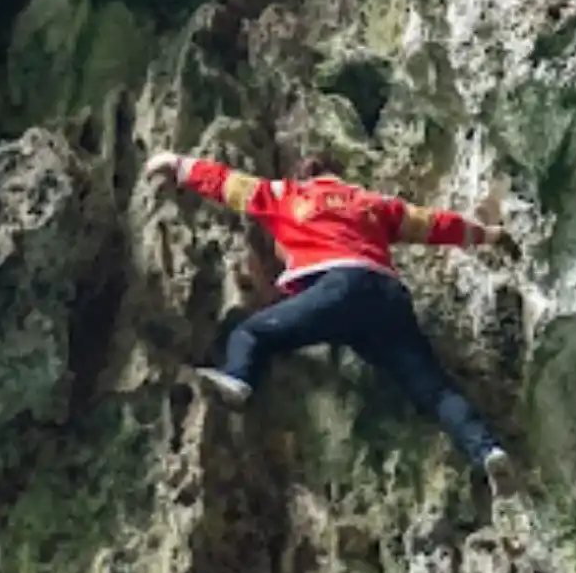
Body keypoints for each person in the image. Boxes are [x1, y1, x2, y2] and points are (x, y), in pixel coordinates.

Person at [142, 149, 519, 489]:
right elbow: (436, 223)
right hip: (386, 296)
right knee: (435, 390)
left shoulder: (288, 195)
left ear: (306, 176)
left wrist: (177, 165)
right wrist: (488, 234)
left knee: (251, 333)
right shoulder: (372, 202)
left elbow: (227, 183)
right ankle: (488, 451)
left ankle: (239, 379)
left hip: (337, 288)